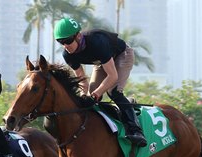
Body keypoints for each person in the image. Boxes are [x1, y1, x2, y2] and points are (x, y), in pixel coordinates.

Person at [54, 17, 147, 147]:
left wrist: (97, 93)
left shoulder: (97, 42)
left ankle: (136, 130)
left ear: (78, 36)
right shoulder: (67, 55)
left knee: (113, 92)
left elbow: (112, 76)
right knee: (92, 94)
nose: (66, 46)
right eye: (61, 42)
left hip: (122, 55)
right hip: (102, 61)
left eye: (68, 41)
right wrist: (84, 96)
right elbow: (82, 80)